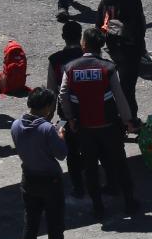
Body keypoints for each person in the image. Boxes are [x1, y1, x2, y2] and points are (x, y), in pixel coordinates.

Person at [58, 27, 140, 219]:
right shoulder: (108, 68)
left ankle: (98, 208)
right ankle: (129, 202)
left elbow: (63, 95)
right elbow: (119, 97)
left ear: (83, 44)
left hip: (85, 128)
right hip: (109, 126)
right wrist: (128, 120)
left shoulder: (70, 68)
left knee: (90, 168)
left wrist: (70, 119)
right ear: (100, 46)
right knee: (120, 164)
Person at [11, 87, 77, 239]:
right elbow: (61, 154)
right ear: (48, 107)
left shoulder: (16, 125)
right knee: (55, 225)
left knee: (30, 224)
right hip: (50, 180)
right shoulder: (48, 129)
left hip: (29, 178)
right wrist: (60, 136)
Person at [47, 21, 89, 198]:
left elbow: (51, 91)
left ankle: (78, 186)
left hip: (65, 113)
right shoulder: (88, 56)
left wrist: (48, 119)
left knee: (71, 150)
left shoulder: (55, 59)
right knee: (90, 145)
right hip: (89, 109)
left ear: (63, 37)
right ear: (80, 37)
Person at [98, 0, 146, 117]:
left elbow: (99, 23)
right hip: (130, 48)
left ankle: (121, 115)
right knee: (128, 87)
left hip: (113, 47)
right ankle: (129, 119)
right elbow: (140, 25)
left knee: (120, 84)